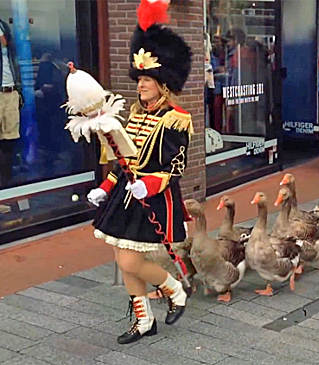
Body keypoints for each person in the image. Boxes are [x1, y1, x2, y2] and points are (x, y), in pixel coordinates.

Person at [84, 0, 194, 344]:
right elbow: (124, 159)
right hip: (125, 194)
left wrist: (147, 185)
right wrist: (106, 186)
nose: (141, 84)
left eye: (148, 78)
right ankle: (144, 320)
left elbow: (175, 167)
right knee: (121, 258)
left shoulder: (176, 118)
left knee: (131, 263)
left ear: (163, 83)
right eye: (140, 78)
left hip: (154, 196)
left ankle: (175, 289)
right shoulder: (135, 113)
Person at [0, 18, 21, 190]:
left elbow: (13, 59)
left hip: (10, 90)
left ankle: (7, 186)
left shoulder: (2, 25)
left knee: (10, 138)